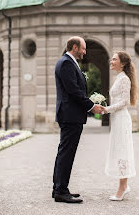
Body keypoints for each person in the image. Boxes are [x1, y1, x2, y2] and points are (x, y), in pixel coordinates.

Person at [53, 36, 103, 204]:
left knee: (65, 153)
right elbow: (73, 90)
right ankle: (60, 191)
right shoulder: (66, 63)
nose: (85, 52)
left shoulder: (67, 62)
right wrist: (91, 106)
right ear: (75, 47)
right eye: (83, 48)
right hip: (70, 115)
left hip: (70, 115)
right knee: (66, 153)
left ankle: (59, 189)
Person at [102, 51, 138, 201]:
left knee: (122, 150)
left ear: (122, 63)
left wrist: (106, 109)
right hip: (117, 119)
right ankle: (125, 184)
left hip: (121, 119)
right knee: (119, 150)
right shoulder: (119, 78)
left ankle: (122, 188)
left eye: (114, 59)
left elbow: (125, 102)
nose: (111, 61)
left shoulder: (124, 79)